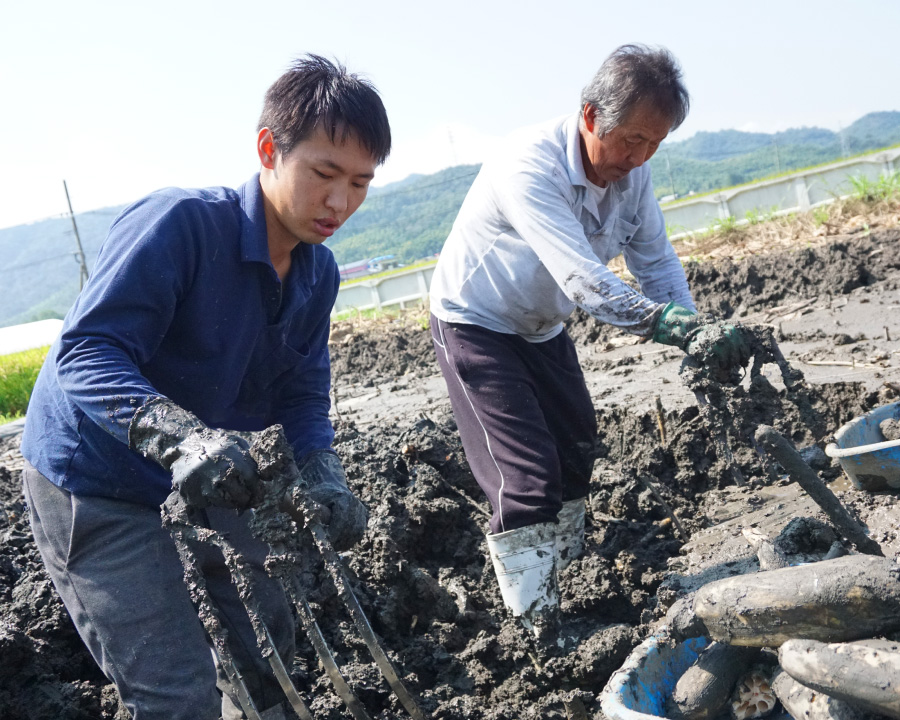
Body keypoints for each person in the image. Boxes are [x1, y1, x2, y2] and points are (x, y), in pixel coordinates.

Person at [20, 55, 391, 720]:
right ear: (268, 150)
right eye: (325, 174)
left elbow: (301, 393)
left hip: (208, 470)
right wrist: (178, 436)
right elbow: (85, 351)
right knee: (173, 689)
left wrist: (322, 469)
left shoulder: (317, 273)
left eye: (361, 183)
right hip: (98, 475)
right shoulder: (182, 226)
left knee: (266, 635)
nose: (341, 202)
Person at [429, 44, 748, 638]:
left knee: (576, 457)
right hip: (476, 323)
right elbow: (582, 279)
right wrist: (663, 326)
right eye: (630, 139)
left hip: (540, 327)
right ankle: (540, 630)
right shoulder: (528, 165)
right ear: (589, 114)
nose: (639, 156)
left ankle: (571, 582)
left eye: (654, 144)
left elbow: (655, 261)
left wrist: (694, 327)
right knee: (525, 480)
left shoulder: (635, 174)